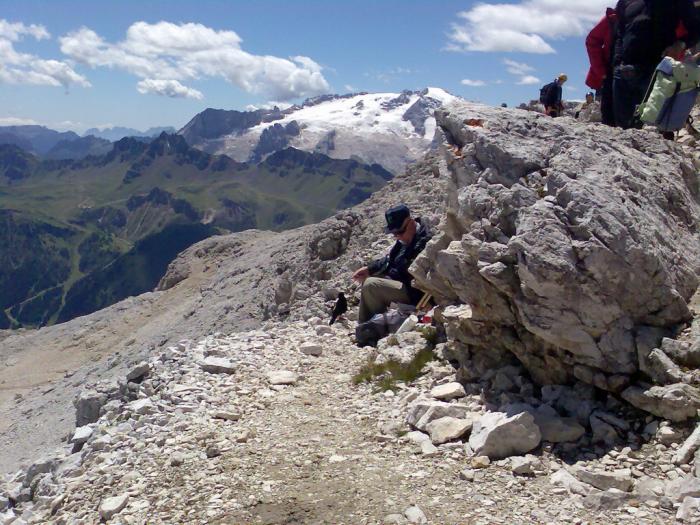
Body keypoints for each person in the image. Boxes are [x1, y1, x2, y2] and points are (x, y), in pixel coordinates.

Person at [612, 0, 700, 129]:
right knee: (621, 129)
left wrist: (680, 45)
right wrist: (617, 62)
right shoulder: (625, 2)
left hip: (657, 71)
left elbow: (696, 28)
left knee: (650, 128)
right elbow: (619, 32)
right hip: (624, 71)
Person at [352, 204, 431, 323]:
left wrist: (385, 276)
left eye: (399, 232)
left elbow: (409, 272)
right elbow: (391, 259)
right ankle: (376, 323)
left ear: (410, 222)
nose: (397, 236)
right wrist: (370, 269)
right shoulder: (407, 238)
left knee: (371, 285)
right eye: (394, 234)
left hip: (414, 292)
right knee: (371, 279)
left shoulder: (424, 242)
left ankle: (368, 328)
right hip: (401, 282)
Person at [585, 8, 618, 126]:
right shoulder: (613, 17)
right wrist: (601, 71)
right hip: (610, 76)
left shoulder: (658, 13)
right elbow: (592, 41)